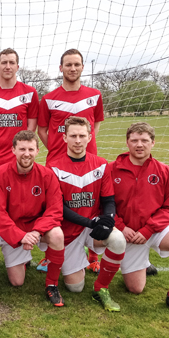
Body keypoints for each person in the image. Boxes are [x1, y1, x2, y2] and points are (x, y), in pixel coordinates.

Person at [111, 122, 169, 318]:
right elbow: (102, 205)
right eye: (134, 140)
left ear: (153, 143)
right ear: (127, 142)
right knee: (135, 289)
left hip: (155, 230)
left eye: (144, 140)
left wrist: (149, 229)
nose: (139, 145)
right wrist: (121, 226)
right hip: (128, 234)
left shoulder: (165, 172)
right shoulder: (111, 170)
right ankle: (143, 262)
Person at [37, 49, 105, 274]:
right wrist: (57, 151)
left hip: (88, 164)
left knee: (91, 205)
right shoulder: (48, 99)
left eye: (77, 64)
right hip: (57, 163)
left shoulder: (94, 95)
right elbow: (43, 130)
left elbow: (94, 126)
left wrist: (86, 147)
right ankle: (51, 255)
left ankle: (94, 255)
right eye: (68, 65)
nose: (72, 68)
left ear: (83, 67)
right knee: (55, 210)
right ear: (61, 68)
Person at [48, 117, 126, 311]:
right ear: (64, 137)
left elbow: (108, 200)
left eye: (82, 136)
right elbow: (59, 208)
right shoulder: (53, 167)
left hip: (93, 226)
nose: (77, 140)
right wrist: (91, 223)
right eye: (73, 136)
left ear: (90, 137)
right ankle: (78, 262)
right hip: (70, 230)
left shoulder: (101, 164)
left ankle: (101, 288)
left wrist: (107, 221)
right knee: (75, 287)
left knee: (118, 240)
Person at [0, 130, 66, 307]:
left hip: (38, 228)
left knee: (57, 235)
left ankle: (52, 284)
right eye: (22, 149)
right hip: (14, 230)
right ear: (13, 150)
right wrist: (20, 236)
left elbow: (55, 209)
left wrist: (36, 231)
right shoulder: (0, 175)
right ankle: (23, 259)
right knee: (17, 282)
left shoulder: (47, 175)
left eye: (31, 149)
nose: (26, 154)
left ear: (38, 151)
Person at [0, 48, 39, 169]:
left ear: (17, 67)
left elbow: (31, 127)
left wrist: (21, 148)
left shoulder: (30, 93)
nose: (8, 66)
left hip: (18, 158)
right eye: (4, 63)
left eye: (11, 62)